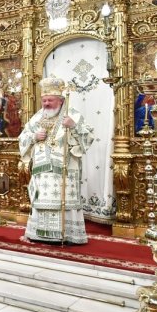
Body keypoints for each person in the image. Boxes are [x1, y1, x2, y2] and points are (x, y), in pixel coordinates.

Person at [18, 77, 95, 244]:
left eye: (50, 100)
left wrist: (73, 126)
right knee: (42, 201)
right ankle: (39, 235)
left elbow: (88, 138)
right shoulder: (37, 117)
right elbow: (23, 137)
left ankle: (67, 236)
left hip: (65, 169)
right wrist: (33, 137)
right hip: (42, 169)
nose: (46, 103)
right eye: (44, 100)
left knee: (65, 201)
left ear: (60, 100)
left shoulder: (72, 115)